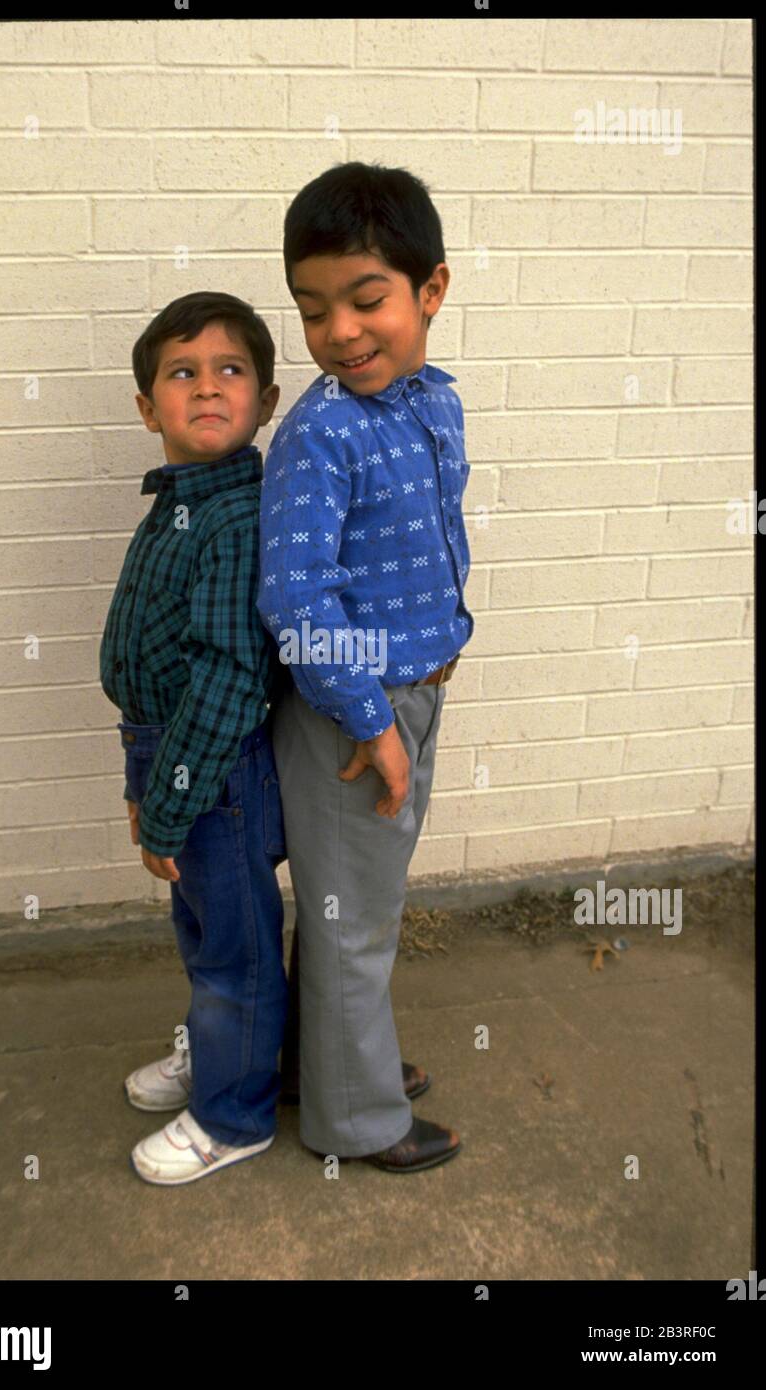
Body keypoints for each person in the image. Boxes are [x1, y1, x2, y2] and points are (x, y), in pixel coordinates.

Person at [257, 161, 473, 1172]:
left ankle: (324, 1063)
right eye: (311, 310)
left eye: (364, 298)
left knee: (355, 902)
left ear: (430, 288)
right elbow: (296, 600)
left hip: (409, 696)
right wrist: (373, 723)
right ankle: (357, 1119)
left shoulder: (432, 403)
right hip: (351, 715)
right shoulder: (322, 432)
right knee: (353, 918)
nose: (338, 331)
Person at [99, 291, 289, 1185]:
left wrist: (171, 802)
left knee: (235, 948)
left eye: (230, 370)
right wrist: (143, 783)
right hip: (166, 756)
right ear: (149, 408)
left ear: (267, 399)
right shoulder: (176, 504)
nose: (207, 388)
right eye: (183, 373)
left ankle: (234, 1113)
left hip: (215, 770)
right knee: (201, 927)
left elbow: (226, 679)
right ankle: (220, 1052)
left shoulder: (237, 518)